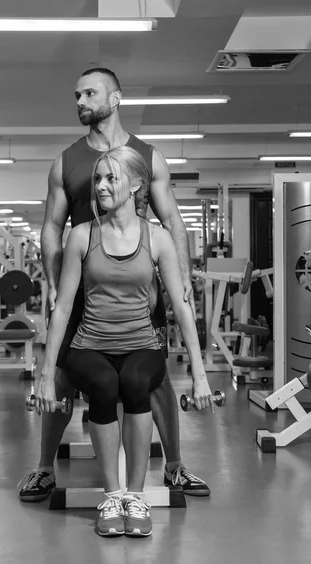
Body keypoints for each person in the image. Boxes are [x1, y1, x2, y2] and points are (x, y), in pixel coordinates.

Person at [18, 67, 212, 505]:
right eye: (77, 94)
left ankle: (175, 467)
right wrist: (52, 281)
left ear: (116, 98)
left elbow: (172, 221)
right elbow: (51, 228)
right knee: (65, 373)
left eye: (90, 93)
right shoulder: (66, 161)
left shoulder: (148, 156)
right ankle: (45, 468)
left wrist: (179, 281)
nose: (80, 102)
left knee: (152, 376)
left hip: (140, 289)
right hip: (83, 282)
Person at [38, 146, 212, 536]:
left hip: (141, 345)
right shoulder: (82, 236)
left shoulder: (158, 238)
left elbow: (183, 310)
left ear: (136, 184)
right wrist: (47, 376)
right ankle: (112, 495)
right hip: (89, 346)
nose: (100, 186)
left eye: (110, 178)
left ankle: (135, 497)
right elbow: (63, 309)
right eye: (98, 178)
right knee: (102, 383)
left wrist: (200, 376)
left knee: (135, 382)